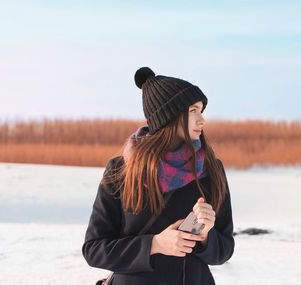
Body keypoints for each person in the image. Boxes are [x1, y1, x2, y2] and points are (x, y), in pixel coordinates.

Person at [82, 67, 234, 285]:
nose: (202, 120)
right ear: (170, 117)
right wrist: (155, 244)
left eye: (202, 111)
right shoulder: (121, 170)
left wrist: (206, 236)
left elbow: (225, 250)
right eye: (193, 111)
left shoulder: (211, 169)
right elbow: (94, 249)